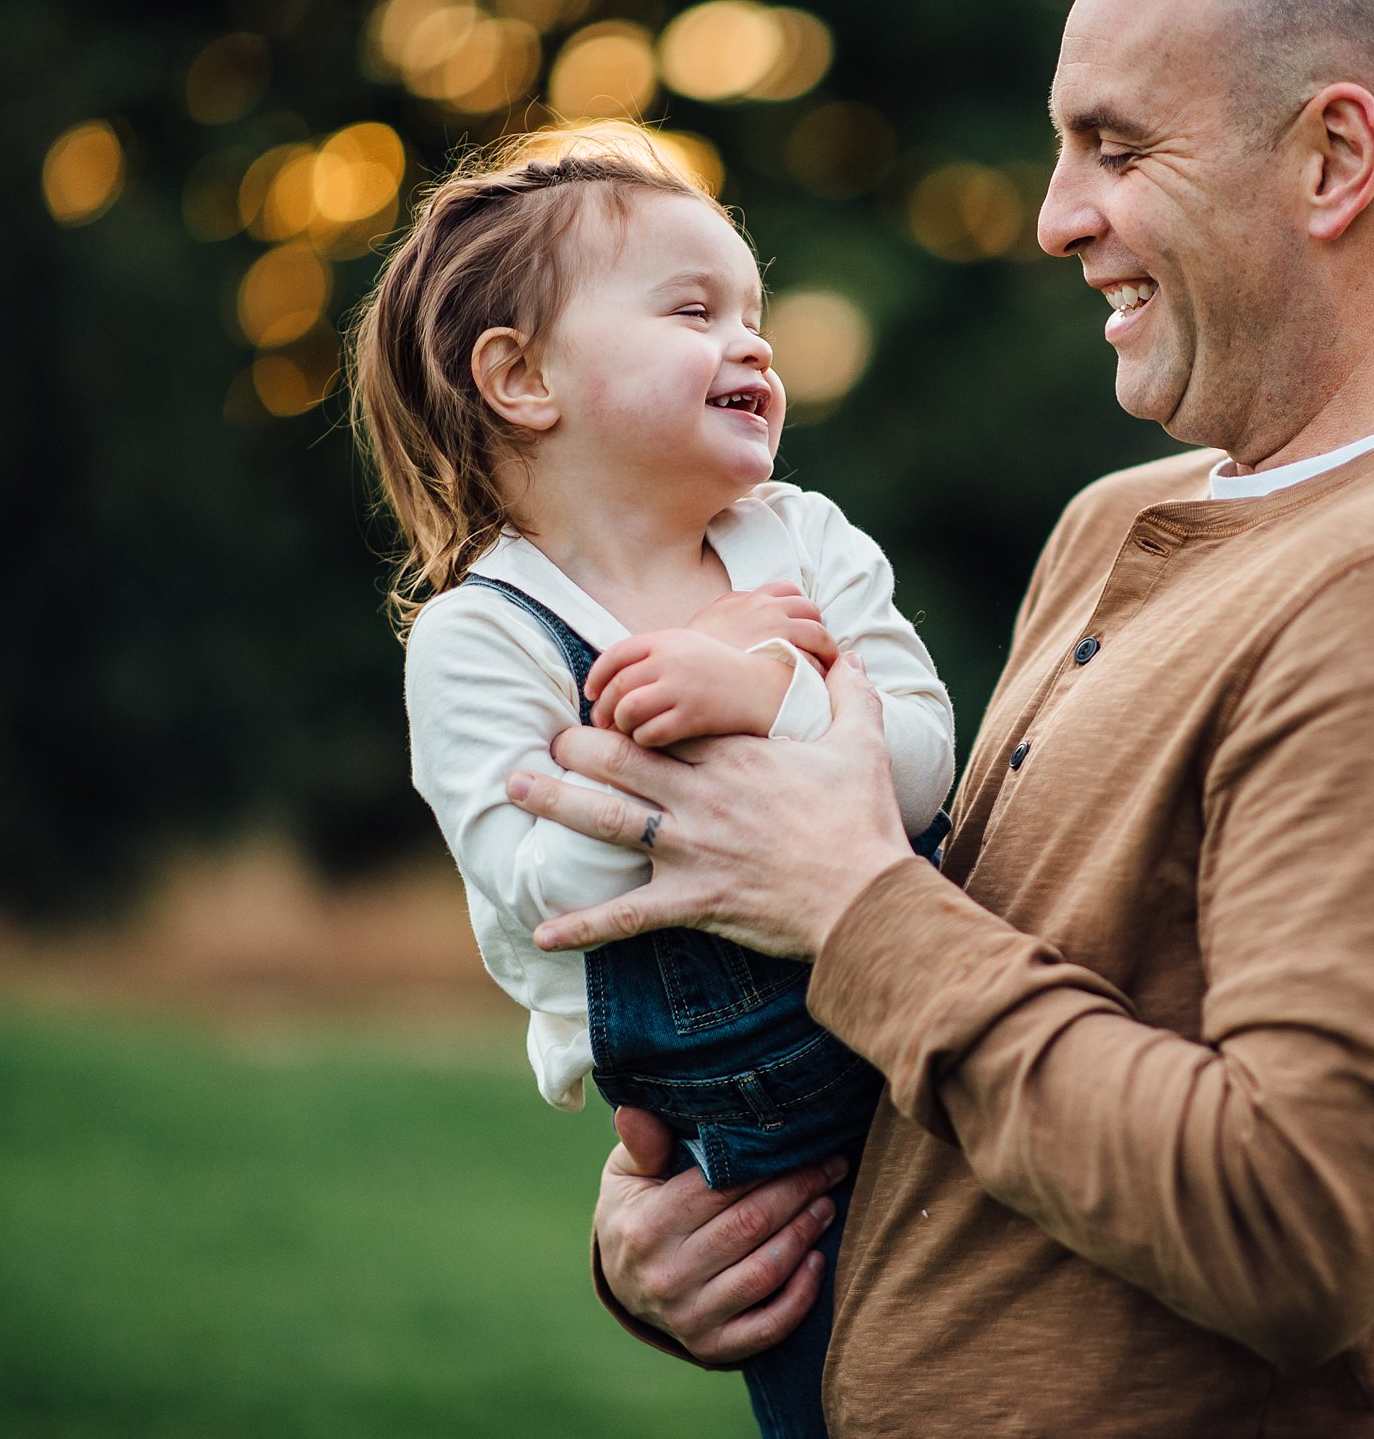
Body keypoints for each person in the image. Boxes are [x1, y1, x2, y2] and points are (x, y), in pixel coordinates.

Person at [507, 0, 1374, 1439]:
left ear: (1334, 159)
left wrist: (852, 902)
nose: (1054, 217)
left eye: (1116, 147)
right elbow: (963, 1048)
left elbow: (1294, 1228)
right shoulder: (1126, 520)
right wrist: (689, 1231)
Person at [346, 129, 957, 1439]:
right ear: (519, 376)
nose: (755, 343)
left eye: (756, 311)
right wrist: (747, 726)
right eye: (695, 310)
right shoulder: (485, 636)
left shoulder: (806, 539)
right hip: (759, 1156)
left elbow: (917, 766)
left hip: (946, 1035)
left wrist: (761, 693)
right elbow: (537, 908)